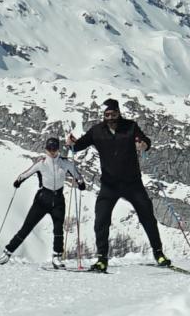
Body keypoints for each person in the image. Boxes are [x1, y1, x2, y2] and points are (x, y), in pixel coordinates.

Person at [69, 98, 169, 272]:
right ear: (103, 115)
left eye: (113, 114)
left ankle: (159, 253)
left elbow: (145, 141)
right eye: (107, 115)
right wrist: (72, 144)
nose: (110, 117)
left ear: (118, 113)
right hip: (109, 184)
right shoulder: (97, 131)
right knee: (101, 219)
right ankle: (102, 259)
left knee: (147, 217)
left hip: (132, 183)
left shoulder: (130, 127)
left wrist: (143, 145)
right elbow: (78, 146)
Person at [0, 135, 83, 264]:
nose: (52, 152)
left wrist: (81, 183)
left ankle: (57, 257)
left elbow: (77, 175)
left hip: (58, 200)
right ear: (46, 149)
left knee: (58, 229)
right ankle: (7, 253)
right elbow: (26, 173)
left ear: (58, 149)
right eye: (49, 149)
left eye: (54, 149)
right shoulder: (41, 163)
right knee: (27, 227)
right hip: (42, 200)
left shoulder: (65, 163)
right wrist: (18, 181)